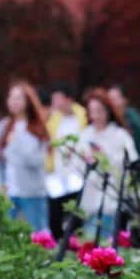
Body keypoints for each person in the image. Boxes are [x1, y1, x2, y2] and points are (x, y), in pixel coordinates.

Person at [0, 81, 51, 232]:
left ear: (28, 101)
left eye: (18, 98)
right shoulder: (3, 126)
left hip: (31, 191)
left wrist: (17, 142)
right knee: (4, 233)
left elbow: (37, 161)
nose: (14, 102)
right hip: (6, 190)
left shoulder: (36, 128)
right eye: (11, 97)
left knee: (38, 234)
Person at [76, 89, 138, 242]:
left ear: (108, 111)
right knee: (89, 241)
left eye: (100, 110)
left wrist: (106, 157)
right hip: (89, 197)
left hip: (111, 196)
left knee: (105, 241)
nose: (96, 115)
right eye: (92, 111)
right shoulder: (85, 135)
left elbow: (131, 162)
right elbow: (76, 164)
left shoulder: (119, 135)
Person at [46, 83, 88, 235]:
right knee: (55, 211)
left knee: (76, 212)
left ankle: (77, 240)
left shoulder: (83, 116)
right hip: (57, 173)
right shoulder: (54, 119)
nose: (54, 103)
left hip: (78, 173)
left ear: (69, 99)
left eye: (58, 99)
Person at [108, 84, 140, 158]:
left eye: (113, 99)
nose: (110, 103)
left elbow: (139, 148)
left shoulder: (132, 120)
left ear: (125, 100)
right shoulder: (108, 119)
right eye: (108, 99)